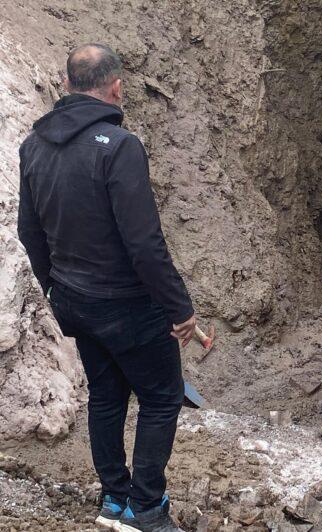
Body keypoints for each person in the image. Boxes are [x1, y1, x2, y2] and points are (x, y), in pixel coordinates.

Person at [17, 43, 192, 532]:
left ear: (67, 85)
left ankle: (114, 499)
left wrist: (57, 290)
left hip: (74, 300)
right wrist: (180, 308)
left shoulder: (32, 145)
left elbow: (30, 233)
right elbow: (144, 244)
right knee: (161, 397)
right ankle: (146, 509)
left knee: (106, 395)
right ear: (116, 88)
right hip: (127, 305)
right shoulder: (121, 146)